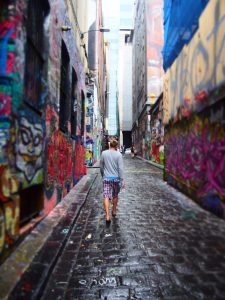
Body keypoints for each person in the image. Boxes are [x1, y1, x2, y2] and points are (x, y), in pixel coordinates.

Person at [100, 139, 125, 225]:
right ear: (116, 146)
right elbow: (120, 169)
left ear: (110, 145)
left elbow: (101, 166)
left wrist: (103, 175)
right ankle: (114, 211)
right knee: (115, 195)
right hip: (116, 179)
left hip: (106, 178)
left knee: (106, 196)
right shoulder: (119, 155)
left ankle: (107, 216)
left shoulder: (104, 153)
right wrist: (122, 180)